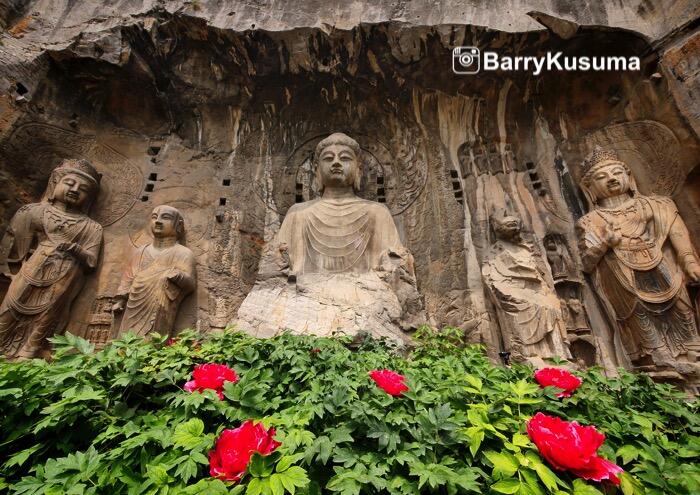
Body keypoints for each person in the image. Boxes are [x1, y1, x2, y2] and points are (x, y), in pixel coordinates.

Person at [576, 146, 700, 371]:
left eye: (617, 173)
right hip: (621, 275)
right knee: (638, 313)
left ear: (629, 176)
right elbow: (586, 263)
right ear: (590, 187)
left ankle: (693, 349)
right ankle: (655, 358)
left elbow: (679, 234)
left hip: (663, 264)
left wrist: (689, 261)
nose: (611, 179)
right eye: (601, 177)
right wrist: (605, 243)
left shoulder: (658, 204)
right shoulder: (590, 220)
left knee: (682, 307)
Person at [0, 159, 103, 359]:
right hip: (30, 268)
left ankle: (29, 353)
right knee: (10, 307)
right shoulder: (32, 212)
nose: (74, 190)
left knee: (49, 315)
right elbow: (11, 247)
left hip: (64, 275)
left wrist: (75, 249)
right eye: (69, 183)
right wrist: (10, 273)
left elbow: (91, 261)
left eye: (83, 189)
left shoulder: (91, 227)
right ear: (55, 184)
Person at [112, 205, 196, 337]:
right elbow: (128, 279)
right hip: (133, 306)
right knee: (125, 340)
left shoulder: (183, 253)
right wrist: (120, 300)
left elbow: (190, 284)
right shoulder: (140, 252)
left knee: (152, 340)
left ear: (178, 226)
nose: (158, 221)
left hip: (160, 307)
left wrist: (178, 276)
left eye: (165, 217)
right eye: (155, 217)